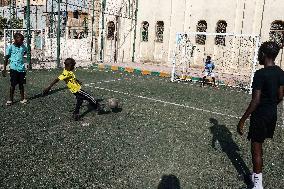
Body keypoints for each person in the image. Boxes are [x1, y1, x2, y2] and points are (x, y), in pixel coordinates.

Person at [237, 41, 284, 189]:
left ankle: (257, 184)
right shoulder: (281, 72)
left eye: (259, 52)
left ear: (263, 55)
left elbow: (255, 100)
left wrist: (242, 120)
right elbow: (281, 96)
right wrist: (270, 106)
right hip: (272, 114)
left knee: (256, 149)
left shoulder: (260, 74)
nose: (258, 55)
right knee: (260, 145)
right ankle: (255, 175)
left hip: (260, 116)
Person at [2, 33, 28, 106]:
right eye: (21, 40)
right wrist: (4, 69)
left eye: (23, 40)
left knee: (21, 84)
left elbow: (26, 50)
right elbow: (6, 58)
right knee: (13, 85)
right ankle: (10, 99)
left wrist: (22, 54)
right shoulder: (10, 47)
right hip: (14, 69)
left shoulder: (23, 46)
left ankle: (22, 99)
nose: (22, 42)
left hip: (22, 69)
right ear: (15, 39)